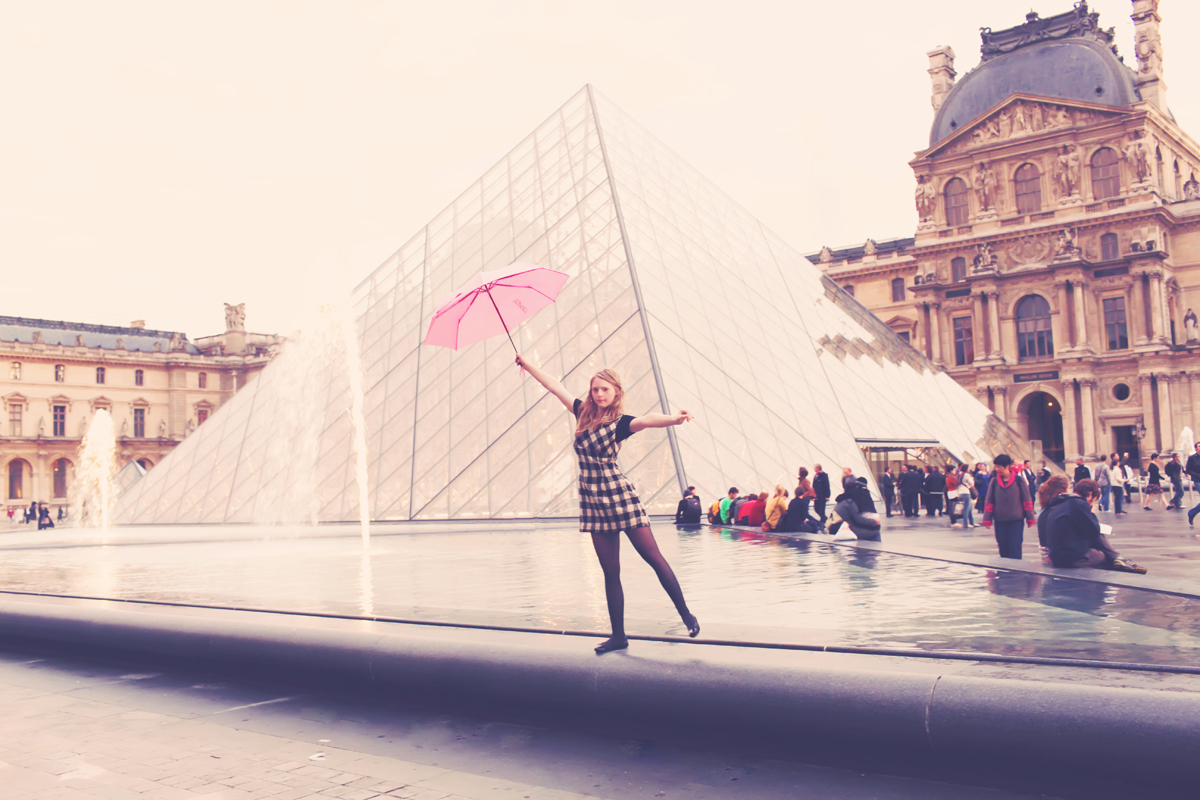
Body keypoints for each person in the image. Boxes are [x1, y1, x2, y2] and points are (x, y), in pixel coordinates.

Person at [516, 353, 699, 654]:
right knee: (610, 571)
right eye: (595, 389)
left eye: (605, 389)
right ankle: (618, 636)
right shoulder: (581, 414)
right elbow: (554, 385)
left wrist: (675, 419)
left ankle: (686, 615)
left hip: (619, 496)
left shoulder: (621, 423)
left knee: (653, 557)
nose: (599, 394)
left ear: (616, 392)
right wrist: (526, 364)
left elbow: (648, 420)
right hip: (592, 501)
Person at [1045, 479, 1146, 573]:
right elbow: (1093, 532)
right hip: (1071, 557)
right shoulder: (1079, 503)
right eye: (1093, 501)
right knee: (1104, 557)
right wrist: (1091, 513)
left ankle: (1117, 558)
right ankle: (1116, 559)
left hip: (1055, 556)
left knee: (1100, 547)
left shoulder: (1058, 504)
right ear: (1090, 495)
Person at [982, 454, 1035, 559]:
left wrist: (1030, 517)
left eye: (999, 467)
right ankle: (1005, 572)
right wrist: (987, 518)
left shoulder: (1019, 480)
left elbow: (1027, 500)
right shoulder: (994, 481)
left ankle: (1016, 571)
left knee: (1015, 546)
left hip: (1016, 519)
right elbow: (989, 501)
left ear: (1007, 466)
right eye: (996, 467)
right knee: (1003, 546)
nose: (997, 469)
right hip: (1000, 520)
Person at [828, 476, 882, 541]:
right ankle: (875, 550)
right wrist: (875, 522)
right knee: (875, 532)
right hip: (845, 529)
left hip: (838, 527)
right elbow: (859, 519)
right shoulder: (849, 502)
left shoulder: (843, 500)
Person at [1036, 474, 1071, 561]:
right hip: (1056, 554)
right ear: (1063, 491)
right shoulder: (1061, 508)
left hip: (1045, 551)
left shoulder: (1046, 507)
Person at [1187, 443, 1200, 526]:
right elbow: (1188, 470)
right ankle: (1192, 513)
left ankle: (1192, 513)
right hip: (1198, 480)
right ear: (1196, 448)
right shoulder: (1192, 458)